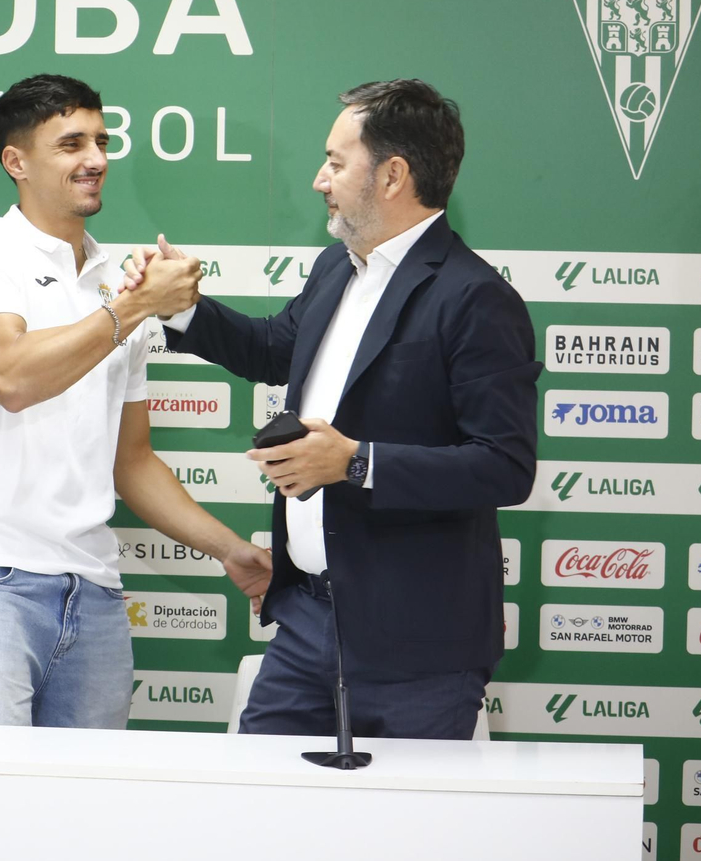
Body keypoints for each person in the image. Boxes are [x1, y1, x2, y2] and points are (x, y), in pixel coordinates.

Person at [124, 79, 540, 740]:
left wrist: (355, 463)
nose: (320, 179)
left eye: (336, 162)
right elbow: (273, 349)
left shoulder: (475, 299)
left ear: (393, 175)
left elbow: (504, 466)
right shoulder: (336, 269)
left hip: (420, 646)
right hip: (306, 624)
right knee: (261, 818)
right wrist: (180, 306)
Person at [0, 73, 272, 728]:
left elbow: (133, 461)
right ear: (16, 162)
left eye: (102, 141)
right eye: (72, 144)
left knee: (86, 816)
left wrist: (228, 548)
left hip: (95, 590)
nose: (97, 160)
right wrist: (136, 305)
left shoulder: (115, 281)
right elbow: (11, 375)